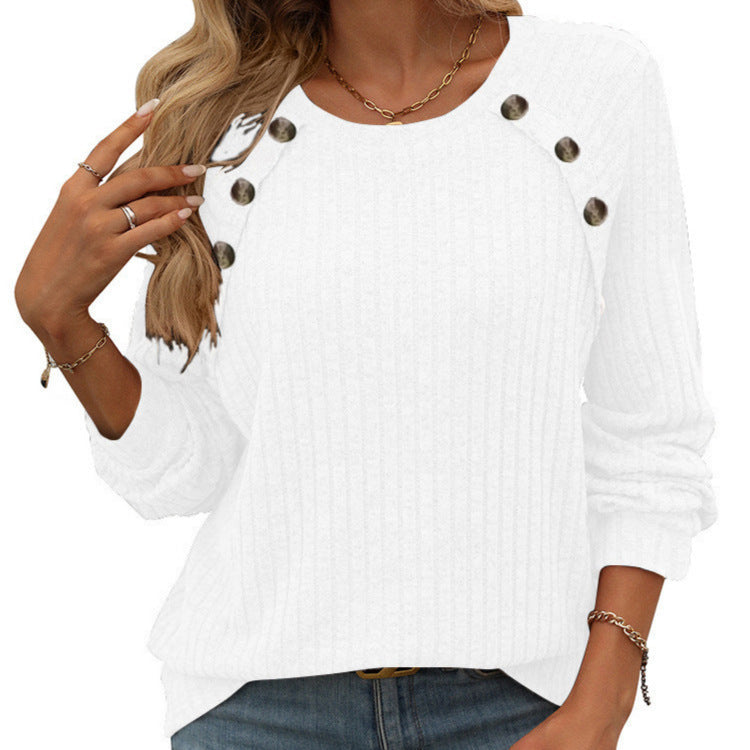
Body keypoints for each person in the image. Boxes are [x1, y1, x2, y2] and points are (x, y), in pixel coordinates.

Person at [15, 2, 717, 748]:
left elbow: (651, 433)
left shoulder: (595, 83)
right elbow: (182, 471)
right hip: (255, 715)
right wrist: (63, 324)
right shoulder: (221, 124)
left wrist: (602, 703)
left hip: (523, 707)